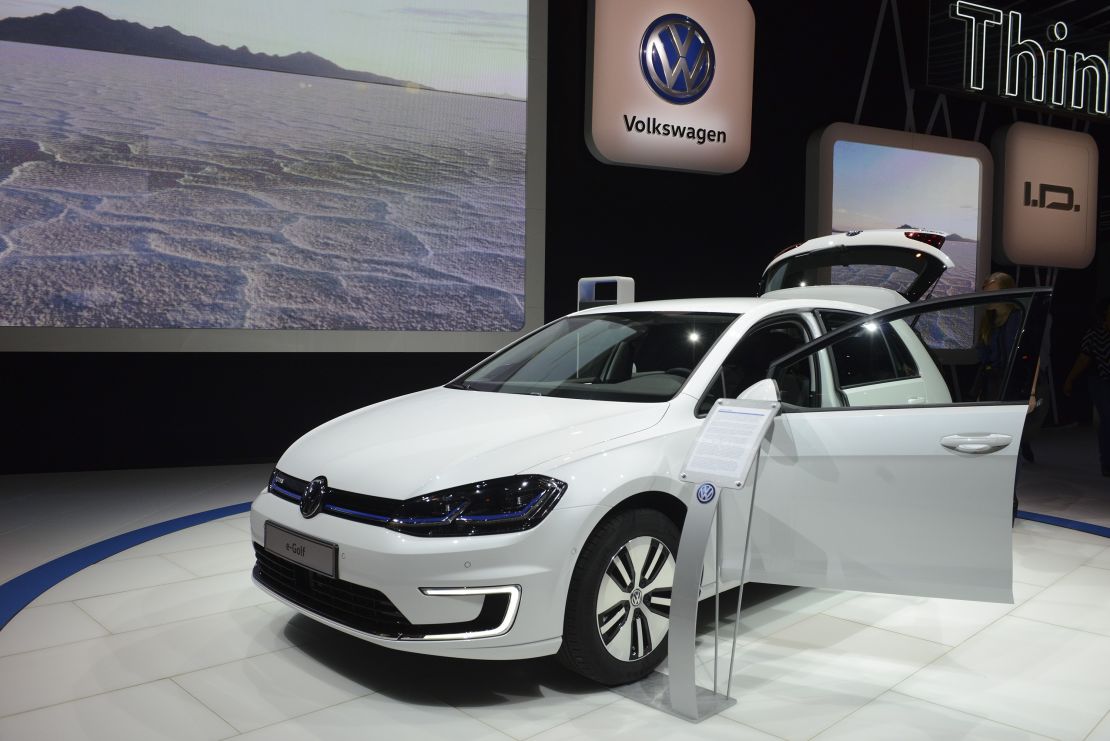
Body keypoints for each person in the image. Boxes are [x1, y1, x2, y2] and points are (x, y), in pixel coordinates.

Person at [1063, 298, 1110, 477]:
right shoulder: (1095, 334)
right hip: (1100, 380)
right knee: (1107, 420)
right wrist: (1070, 380)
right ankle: (1107, 462)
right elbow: (1084, 358)